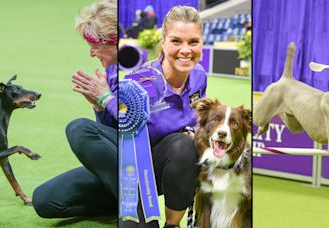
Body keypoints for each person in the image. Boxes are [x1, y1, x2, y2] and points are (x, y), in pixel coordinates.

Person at [120, 5, 206, 228]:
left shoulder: (199, 77)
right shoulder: (140, 81)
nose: (186, 50)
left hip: (172, 168)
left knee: (184, 146)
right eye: (176, 41)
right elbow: (117, 136)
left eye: (193, 42)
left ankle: (172, 225)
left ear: (202, 43)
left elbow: (196, 120)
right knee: (46, 201)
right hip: (131, 175)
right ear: (163, 42)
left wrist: (194, 133)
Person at [32, 0, 118, 220]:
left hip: (146, 162)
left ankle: (134, 209)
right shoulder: (110, 73)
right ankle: (117, 202)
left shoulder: (142, 70)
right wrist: (99, 106)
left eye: (95, 45)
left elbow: (142, 126)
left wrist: (108, 99)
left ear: (114, 42)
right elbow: (109, 137)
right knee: (44, 200)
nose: (91, 53)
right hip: (119, 163)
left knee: (79, 129)